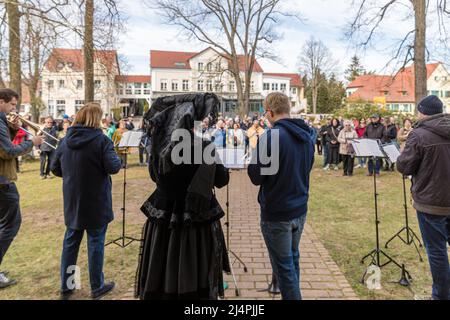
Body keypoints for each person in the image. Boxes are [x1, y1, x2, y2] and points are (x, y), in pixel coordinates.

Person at [135, 93, 230, 300]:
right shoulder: (204, 147)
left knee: (163, 263)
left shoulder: (158, 148)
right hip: (195, 219)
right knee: (194, 267)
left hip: (164, 217)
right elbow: (222, 180)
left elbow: (154, 177)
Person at [248, 92, 316, 300]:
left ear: (269, 112)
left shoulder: (272, 137)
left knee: (284, 267)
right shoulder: (307, 134)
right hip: (299, 207)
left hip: (278, 211)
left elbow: (256, 176)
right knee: (292, 258)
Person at [51, 102, 122, 300]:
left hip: (73, 200)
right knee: (95, 242)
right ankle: (97, 286)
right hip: (96, 200)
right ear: (95, 119)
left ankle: (68, 286)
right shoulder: (101, 140)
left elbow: (55, 168)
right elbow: (114, 167)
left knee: (71, 242)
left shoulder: (64, 141)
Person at [397, 95, 450, 300]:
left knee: (436, 251)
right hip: (437, 198)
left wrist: (401, 156)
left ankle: (441, 296)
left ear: (423, 112)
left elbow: (404, 166)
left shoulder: (419, 135)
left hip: (431, 202)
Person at [0, 88, 43, 289]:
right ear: (1, 101)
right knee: (11, 225)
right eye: (12, 105)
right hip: (3, 182)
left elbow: (4, 144)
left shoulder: (2, 121)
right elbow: (8, 151)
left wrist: (14, 129)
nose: (14, 109)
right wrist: (31, 142)